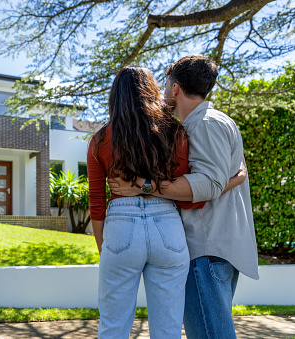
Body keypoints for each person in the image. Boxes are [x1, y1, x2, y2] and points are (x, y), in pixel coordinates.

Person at [87, 66, 244, 339]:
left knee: (112, 328)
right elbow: (190, 199)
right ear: (152, 91)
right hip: (168, 228)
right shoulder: (173, 131)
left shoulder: (99, 139)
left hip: (120, 226)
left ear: (115, 97)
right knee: (168, 331)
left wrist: (106, 248)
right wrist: (230, 179)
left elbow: (97, 202)